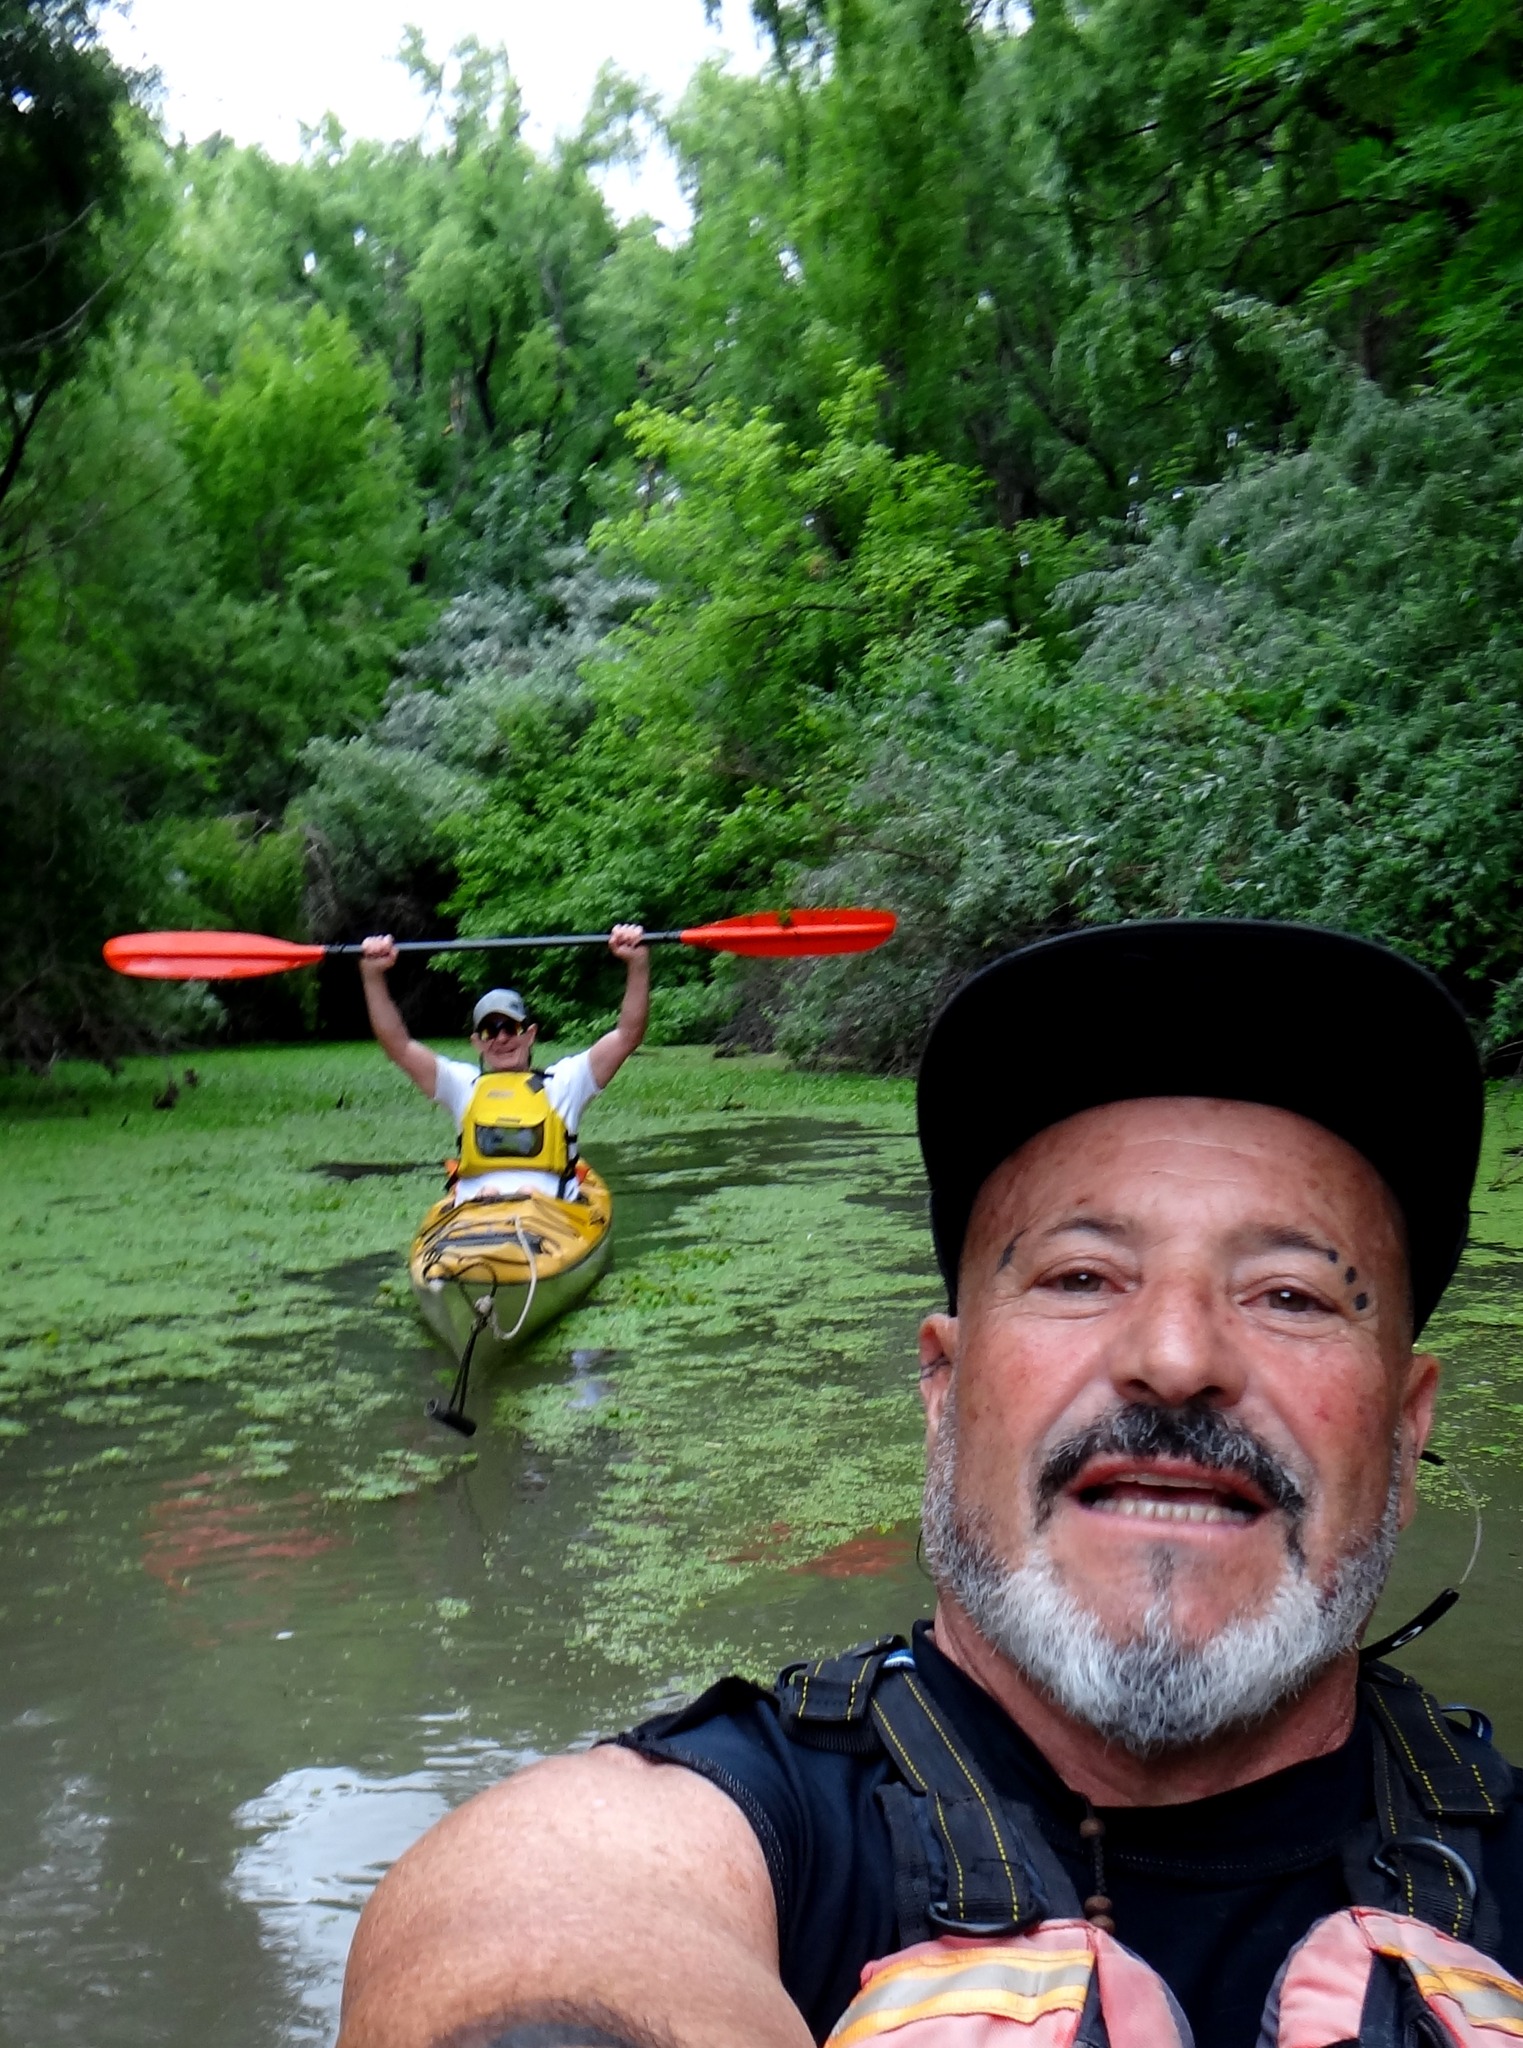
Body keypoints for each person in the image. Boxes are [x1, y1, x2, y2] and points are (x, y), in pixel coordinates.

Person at [336, 920, 1523, 2048]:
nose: (1175, 1355)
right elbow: (523, 1927)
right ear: (943, 1392)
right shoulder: (709, 1831)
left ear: (1404, 1424)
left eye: (1289, 1295)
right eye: (1078, 1274)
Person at [359, 925, 649, 1203]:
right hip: (477, 1211)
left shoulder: (564, 1083)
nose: (501, 1038)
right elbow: (398, 1046)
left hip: (547, 1214)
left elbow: (627, 1036)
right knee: (489, 1193)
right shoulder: (462, 1085)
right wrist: (372, 976)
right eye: (490, 1030)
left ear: (530, 1035)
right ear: (478, 1042)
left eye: (511, 1028)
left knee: (527, 1191)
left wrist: (637, 964)